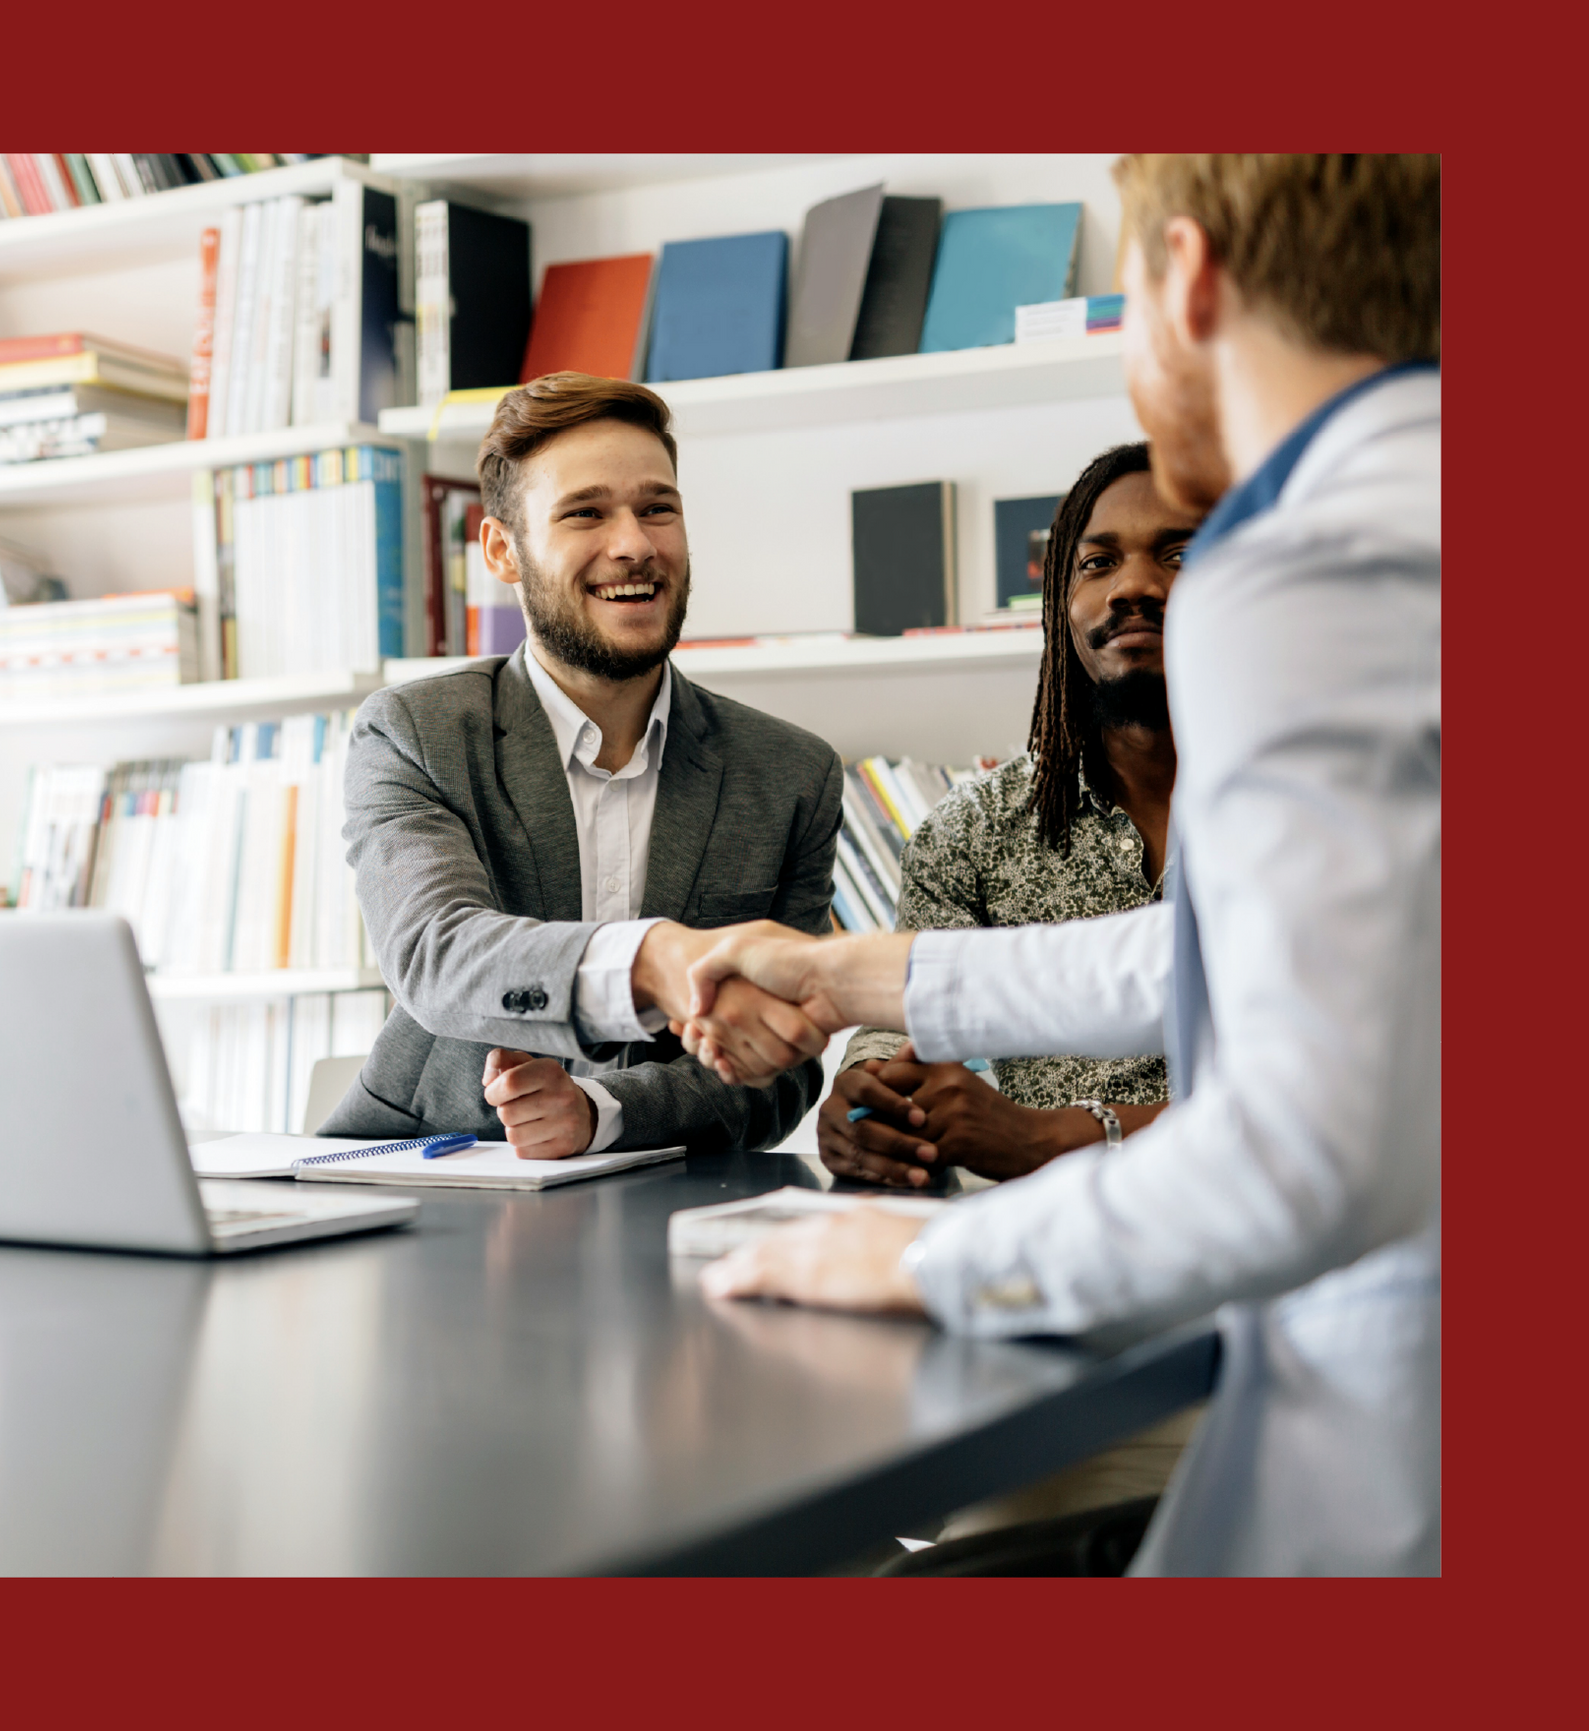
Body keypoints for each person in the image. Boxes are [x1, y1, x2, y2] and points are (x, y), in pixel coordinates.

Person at [681, 154, 1441, 1575]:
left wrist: (923, 1263)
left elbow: (1295, 1148)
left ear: (1189, 280)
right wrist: (846, 973)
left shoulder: (1312, 573)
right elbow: (1234, 948)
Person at [322, 372, 837, 1156]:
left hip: (669, 1191)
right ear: (503, 549)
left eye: (657, 507)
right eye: (585, 512)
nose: (633, 543)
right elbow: (438, 953)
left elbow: (780, 1065)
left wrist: (604, 1110)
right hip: (430, 1169)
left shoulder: (792, 774)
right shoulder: (413, 733)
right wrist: (653, 959)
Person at [821, 441, 1198, 1194]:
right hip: (1048, 1242)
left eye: (1179, 554)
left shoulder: (1320, 807)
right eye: (1097, 563)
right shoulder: (971, 833)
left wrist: (1069, 1133)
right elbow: (905, 1020)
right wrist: (871, 1094)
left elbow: (1343, 1079)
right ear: (1061, 604)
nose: (1133, 585)